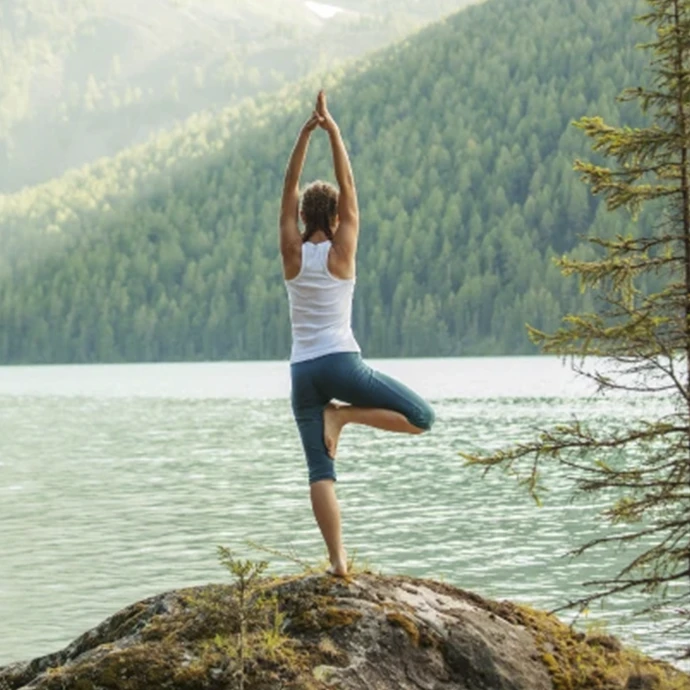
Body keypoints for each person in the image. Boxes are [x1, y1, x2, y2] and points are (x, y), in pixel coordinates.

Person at [279, 90, 435, 576]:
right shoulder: (343, 249)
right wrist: (335, 132)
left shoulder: (292, 253)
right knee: (421, 417)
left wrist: (304, 135)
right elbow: (348, 185)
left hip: (303, 372)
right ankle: (343, 419)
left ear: (304, 219)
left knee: (319, 473)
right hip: (342, 364)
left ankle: (338, 563)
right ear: (339, 217)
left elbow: (288, 188)